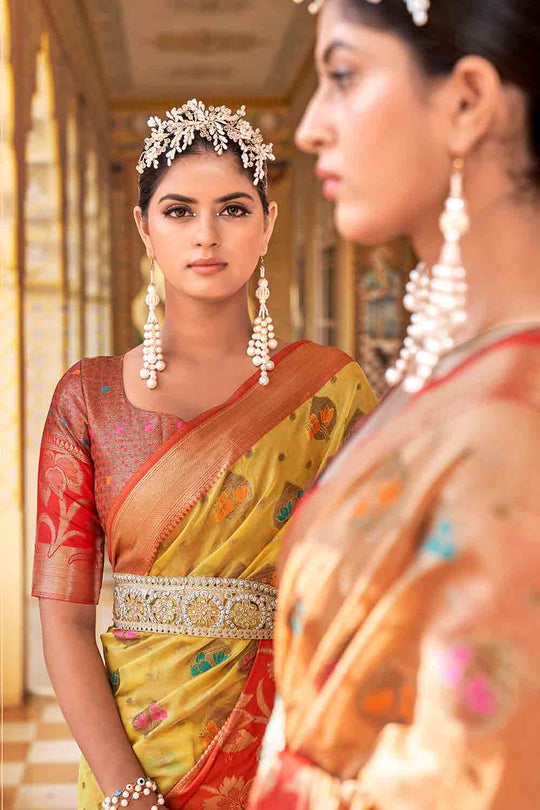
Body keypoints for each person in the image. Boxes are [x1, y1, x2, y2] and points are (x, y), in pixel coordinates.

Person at [31, 99, 377, 810]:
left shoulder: (328, 390)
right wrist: (128, 790)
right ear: (144, 229)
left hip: (288, 744)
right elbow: (64, 621)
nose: (207, 234)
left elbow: (368, 593)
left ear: (268, 225)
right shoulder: (87, 397)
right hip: (131, 761)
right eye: (180, 211)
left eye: (235, 209)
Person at [250, 1, 540, 808]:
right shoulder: (450, 380)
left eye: (343, 76)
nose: (309, 128)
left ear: (467, 103)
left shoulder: (516, 426)